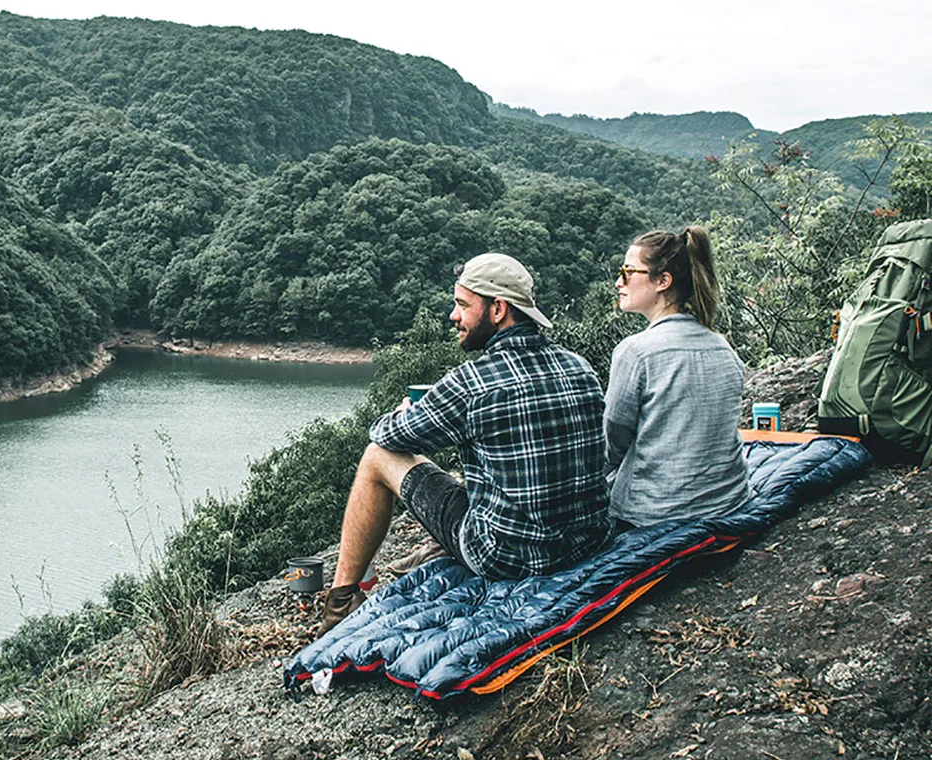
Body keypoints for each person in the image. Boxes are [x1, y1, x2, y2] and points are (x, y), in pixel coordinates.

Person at [319, 252, 613, 636]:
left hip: (506, 556)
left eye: (462, 305)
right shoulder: (579, 366)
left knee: (377, 457)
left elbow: (387, 436)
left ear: (498, 310)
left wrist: (402, 412)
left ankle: (340, 602)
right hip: (585, 544)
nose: (454, 316)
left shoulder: (472, 381)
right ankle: (431, 552)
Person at [603, 227, 750, 530]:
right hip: (728, 502)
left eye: (628, 272)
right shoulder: (722, 346)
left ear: (663, 281)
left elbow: (612, 443)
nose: (619, 281)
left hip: (655, 513)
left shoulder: (636, 352)